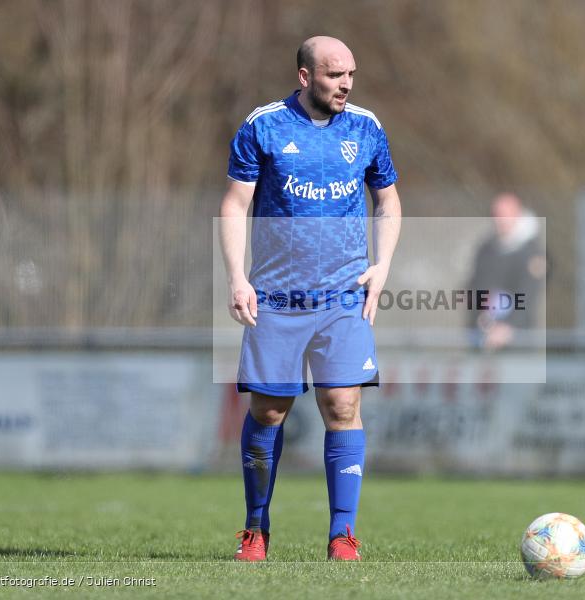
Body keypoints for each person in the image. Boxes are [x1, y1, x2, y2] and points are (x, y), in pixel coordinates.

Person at [219, 36, 402, 562]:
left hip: (343, 296)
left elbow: (387, 200)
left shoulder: (366, 128)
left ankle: (342, 535)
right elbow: (234, 204)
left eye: (350, 74)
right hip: (276, 297)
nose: (345, 84)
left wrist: (383, 265)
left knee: (342, 403)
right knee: (270, 412)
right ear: (305, 76)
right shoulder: (265, 125)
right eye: (333, 75)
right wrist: (238, 276)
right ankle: (256, 528)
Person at [466, 193, 547, 351]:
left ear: (517, 215)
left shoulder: (532, 253)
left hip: (517, 341)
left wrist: (508, 326)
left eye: (504, 214)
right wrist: (482, 318)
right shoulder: (485, 248)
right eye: (496, 215)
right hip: (482, 335)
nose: (499, 219)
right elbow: (475, 285)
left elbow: (528, 294)